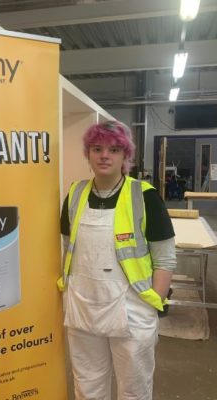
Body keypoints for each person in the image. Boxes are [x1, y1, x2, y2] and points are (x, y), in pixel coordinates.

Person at [57, 121, 176, 400]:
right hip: (83, 307)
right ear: (88, 154)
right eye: (96, 149)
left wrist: (154, 301)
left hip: (131, 309)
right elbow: (66, 247)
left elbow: (165, 257)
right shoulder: (74, 194)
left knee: (133, 388)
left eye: (113, 149)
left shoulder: (144, 196)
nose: (104, 155)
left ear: (125, 156)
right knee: (87, 385)